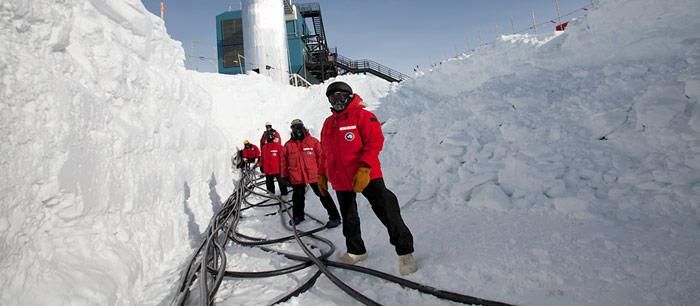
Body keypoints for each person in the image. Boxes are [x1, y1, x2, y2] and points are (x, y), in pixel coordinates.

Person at [318, 81, 417, 275]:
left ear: (349, 96)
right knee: (348, 216)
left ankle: (405, 253)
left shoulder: (363, 116)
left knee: (387, 210)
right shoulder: (328, 123)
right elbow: (324, 152)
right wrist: (321, 173)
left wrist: (364, 168)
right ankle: (356, 251)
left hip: (366, 175)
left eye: (340, 96)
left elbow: (375, 143)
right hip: (340, 179)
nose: (337, 100)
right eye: (332, 97)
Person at [281, 119, 341, 228]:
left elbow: (322, 158)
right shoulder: (288, 145)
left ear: (303, 127)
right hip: (297, 176)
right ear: (292, 130)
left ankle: (335, 217)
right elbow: (283, 161)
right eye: (295, 127)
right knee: (297, 197)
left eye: (299, 126)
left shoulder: (313, 142)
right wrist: (284, 175)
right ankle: (298, 216)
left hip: (314, 175)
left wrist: (324, 173)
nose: (298, 130)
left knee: (323, 195)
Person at [260, 130, 288, 197]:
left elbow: (284, 158)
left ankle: (284, 194)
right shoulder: (265, 147)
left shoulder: (279, 147)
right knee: (270, 182)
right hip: (270, 169)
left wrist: (284, 167)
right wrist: (261, 166)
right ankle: (272, 193)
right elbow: (262, 158)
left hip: (277, 169)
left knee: (280, 182)